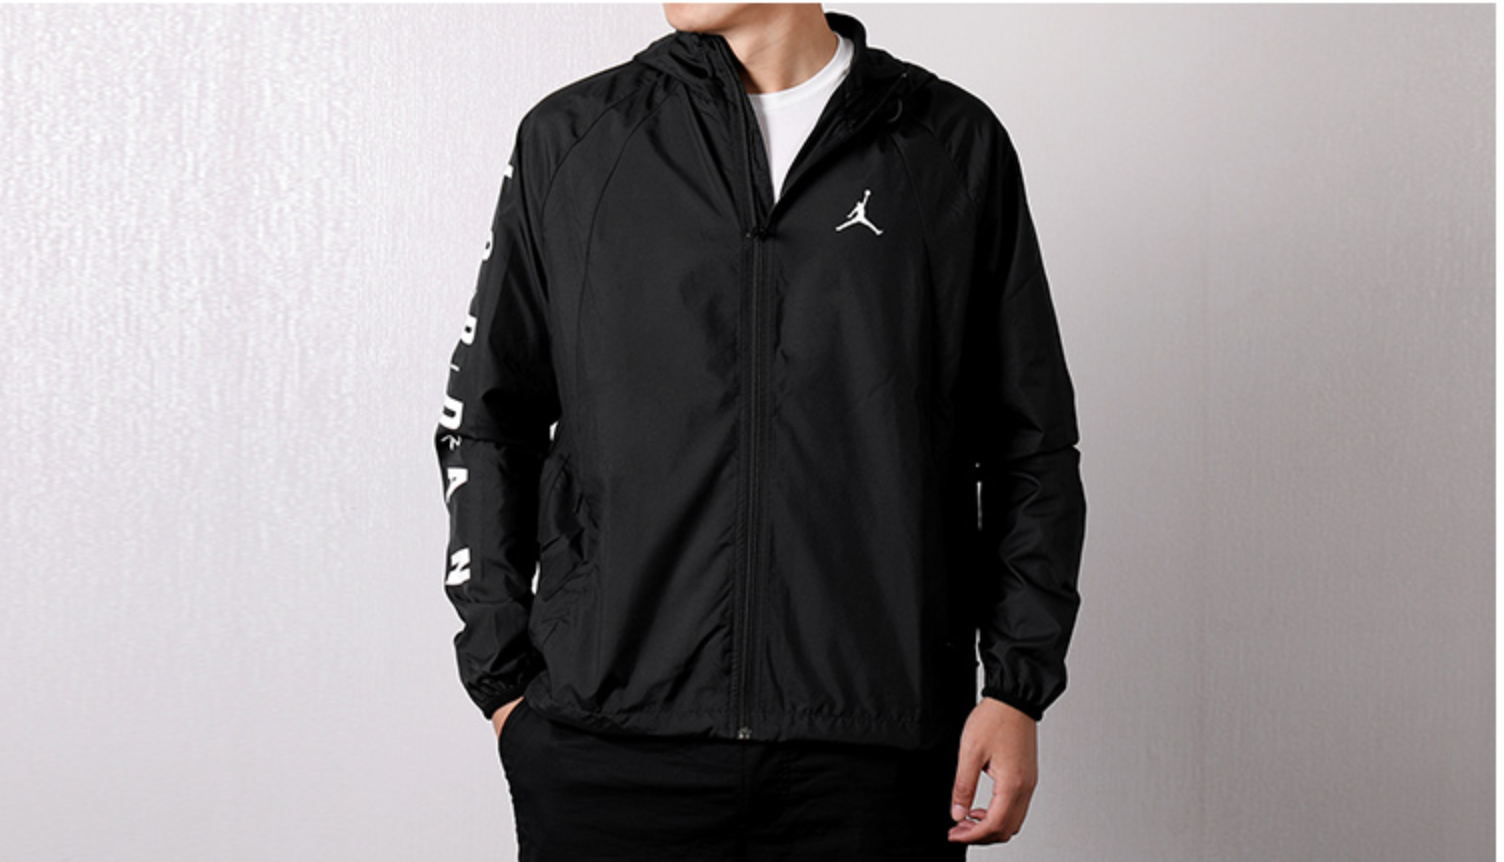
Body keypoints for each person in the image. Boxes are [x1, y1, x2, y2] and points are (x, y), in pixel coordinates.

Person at [434, 4, 1087, 859]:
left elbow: (1028, 444)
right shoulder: (575, 141)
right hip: (609, 751)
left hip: (871, 758)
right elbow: (486, 422)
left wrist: (1015, 687)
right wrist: (501, 680)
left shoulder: (949, 146)